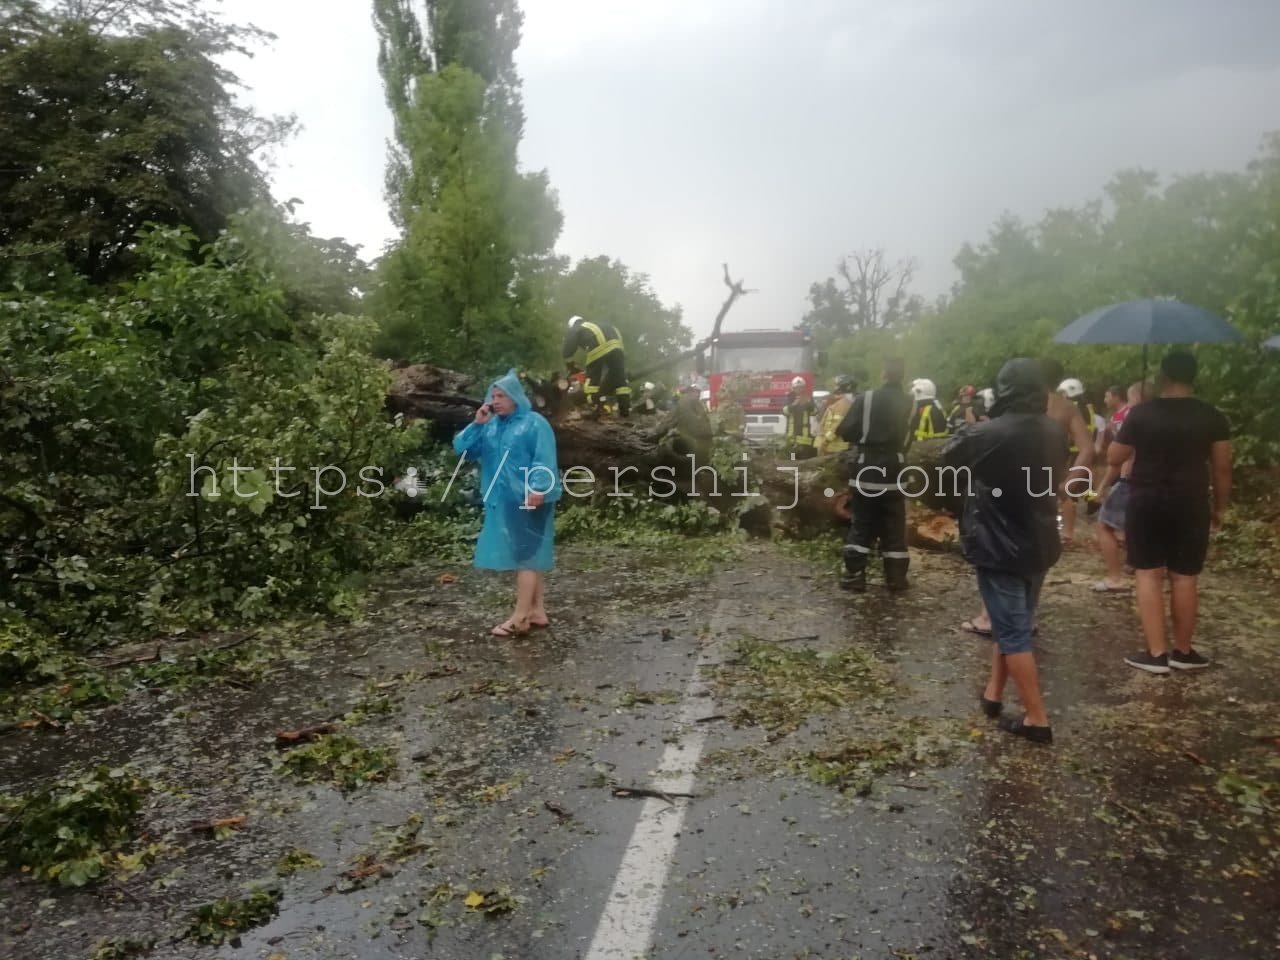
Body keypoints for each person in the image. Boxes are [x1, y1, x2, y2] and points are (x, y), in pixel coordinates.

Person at [945, 358, 1067, 744]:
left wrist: (977, 424)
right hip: (1041, 539)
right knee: (1010, 619)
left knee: (1013, 630)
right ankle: (993, 694)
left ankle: (1037, 718)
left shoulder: (988, 433)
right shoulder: (1055, 430)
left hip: (999, 543)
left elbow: (948, 457)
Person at [1109, 352, 1231, 674]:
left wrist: (1131, 433)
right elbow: (1221, 469)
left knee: (1148, 573)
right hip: (1190, 503)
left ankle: (1156, 654)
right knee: (1185, 576)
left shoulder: (1141, 414)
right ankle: (1183, 651)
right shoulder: (1212, 416)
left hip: (1147, 501)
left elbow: (1113, 457)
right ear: (1194, 377)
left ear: (1162, 376)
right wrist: (1219, 508)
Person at [959, 358, 1092, 636]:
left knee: (997, 548)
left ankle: (990, 617)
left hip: (1005, 485)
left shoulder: (1016, 404)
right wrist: (1067, 485)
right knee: (1036, 548)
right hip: (1042, 487)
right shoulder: (1067, 408)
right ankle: (1025, 616)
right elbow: (1087, 449)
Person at [452, 369, 562, 637]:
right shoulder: (490, 426)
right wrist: (476, 424)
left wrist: (537, 488)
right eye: (493, 395)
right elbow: (462, 449)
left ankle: (520, 617)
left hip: (530, 497)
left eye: (502, 395)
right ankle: (536, 610)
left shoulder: (534, 423)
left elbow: (543, 458)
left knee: (525, 557)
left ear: (515, 397)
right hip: (505, 500)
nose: (496, 400)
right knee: (529, 556)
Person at [835, 358, 914, 592]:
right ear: (902, 376)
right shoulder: (911, 402)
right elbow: (910, 438)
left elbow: (845, 431)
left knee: (862, 524)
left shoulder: (866, 398)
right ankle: (896, 579)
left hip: (866, 468)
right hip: (895, 470)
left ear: (883, 374)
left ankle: (855, 576)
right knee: (895, 526)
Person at [1092, 381, 1148, 592]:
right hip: (1157, 483)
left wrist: (1103, 486)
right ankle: (1140, 567)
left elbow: (1117, 458)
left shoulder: (1132, 420)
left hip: (1130, 478)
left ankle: (1115, 578)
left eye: (1131, 397)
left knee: (1104, 525)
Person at [1056, 376, 1103, 543]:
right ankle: (1093, 504)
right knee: (1084, 484)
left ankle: (1068, 530)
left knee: (1068, 492)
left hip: (1074, 452)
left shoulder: (1071, 408)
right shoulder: (1089, 408)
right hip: (1085, 452)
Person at [562, 315, 632, 417]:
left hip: (599, 346)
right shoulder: (594, 324)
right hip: (618, 347)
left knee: (592, 379)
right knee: (620, 379)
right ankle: (625, 411)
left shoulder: (578, 327)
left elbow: (568, 347)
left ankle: (594, 408)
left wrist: (569, 363)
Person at [816, 373, 858, 455]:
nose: (834, 387)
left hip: (834, 448)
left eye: (836, 385)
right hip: (834, 447)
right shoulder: (844, 401)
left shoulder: (843, 403)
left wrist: (825, 442)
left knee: (829, 468)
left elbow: (837, 426)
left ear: (841, 387)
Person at [784, 375, 819, 459]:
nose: (798, 389)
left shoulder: (808, 398)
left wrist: (809, 404)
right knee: (792, 458)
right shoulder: (789, 398)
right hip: (792, 435)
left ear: (803, 388)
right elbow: (784, 411)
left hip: (804, 435)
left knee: (804, 458)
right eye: (796, 387)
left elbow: (815, 412)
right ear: (793, 388)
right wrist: (793, 405)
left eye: (800, 387)